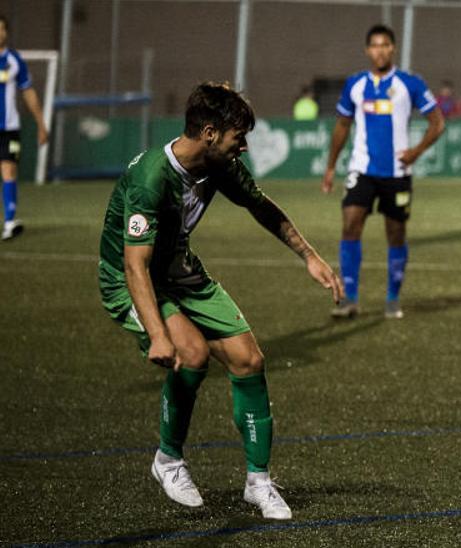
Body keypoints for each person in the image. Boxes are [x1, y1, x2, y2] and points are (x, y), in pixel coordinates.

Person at [97, 82, 342, 520]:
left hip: (181, 271)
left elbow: (261, 205)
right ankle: (168, 460)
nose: (243, 146)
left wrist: (309, 256)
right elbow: (135, 267)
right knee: (190, 354)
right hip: (131, 279)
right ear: (210, 133)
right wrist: (157, 334)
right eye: (238, 137)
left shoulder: (218, 166)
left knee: (249, 360)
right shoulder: (151, 176)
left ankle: (258, 483)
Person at [322, 24, 446, 319]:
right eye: (374, 45)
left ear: (393, 48)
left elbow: (437, 122)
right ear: (367, 50)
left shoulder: (410, 83)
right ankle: (349, 299)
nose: (379, 50)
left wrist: (416, 152)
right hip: (361, 169)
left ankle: (392, 298)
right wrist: (330, 167)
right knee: (350, 224)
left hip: (397, 174)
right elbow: (342, 126)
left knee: (396, 233)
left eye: (385, 45)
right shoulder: (355, 84)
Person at [1, 15, 49, 241]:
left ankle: (9, 222)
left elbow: (28, 93)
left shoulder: (13, 60)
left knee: (9, 170)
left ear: (7, 32)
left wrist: (40, 123)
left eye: (2, 29)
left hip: (9, 128)